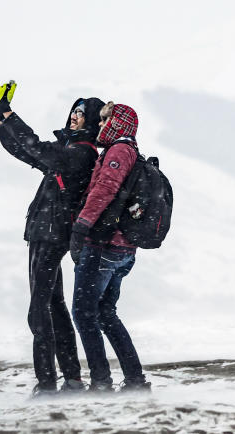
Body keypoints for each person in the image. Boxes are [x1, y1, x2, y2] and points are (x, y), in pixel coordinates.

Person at [0, 82, 105, 398]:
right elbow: (25, 150)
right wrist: (1, 123)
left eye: (81, 114)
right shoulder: (71, 152)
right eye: (74, 111)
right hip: (47, 233)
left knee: (40, 309)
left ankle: (48, 385)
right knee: (53, 306)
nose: (75, 117)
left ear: (92, 122)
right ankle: (70, 379)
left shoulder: (80, 153)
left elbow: (37, 147)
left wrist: (9, 115)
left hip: (51, 234)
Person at [69, 101, 151, 392]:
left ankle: (102, 381)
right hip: (124, 250)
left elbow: (105, 189)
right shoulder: (133, 153)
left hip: (103, 245)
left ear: (118, 123)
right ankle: (135, 380)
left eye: (106, 120)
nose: (101, 126)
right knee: (105, 313)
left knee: (82, 311)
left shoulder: (119, 151)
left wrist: (81, 226)